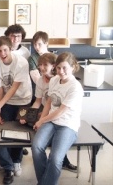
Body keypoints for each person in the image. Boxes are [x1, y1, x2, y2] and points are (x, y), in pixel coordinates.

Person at [28, 32, 77, 172]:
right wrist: (29, 115)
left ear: (53, 66)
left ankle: (62, 161)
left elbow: (60, 109)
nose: (42, 68)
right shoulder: (43, 81)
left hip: (61, 117)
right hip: (47, 113)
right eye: (40, 66)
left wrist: (42, 120)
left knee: (56, 153)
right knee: (38, 144)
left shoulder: (61, 80)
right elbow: (40, 102)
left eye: (45, 66)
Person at [31, 52, 83, 185]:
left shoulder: (75, 87)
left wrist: (42, 120)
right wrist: (41, 120)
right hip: (51, 121)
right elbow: (49, 101)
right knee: (36, 146)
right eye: (59, 68)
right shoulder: (54, 80)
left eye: (65, 68)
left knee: (55, 158)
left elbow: (61, 111)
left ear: (73, 67)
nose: (61, 71)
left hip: (67, 125)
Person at [0, 36, 32, 185]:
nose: (2, 53)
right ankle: (8, 166)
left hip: (23, 100)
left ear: (11, 49)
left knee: (19, 134)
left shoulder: (21, 62)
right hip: (6, 102)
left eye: (5, 50)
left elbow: (13, 89)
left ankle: (16, 161)